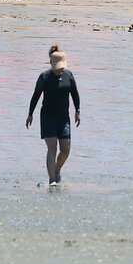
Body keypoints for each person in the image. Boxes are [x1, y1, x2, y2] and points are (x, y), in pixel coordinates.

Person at [27, 45, 81, 187]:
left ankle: (56, 170)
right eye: (57, 66)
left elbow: (75, 94)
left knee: (65, 149)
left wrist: (78, 111)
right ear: (51, 63)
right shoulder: (44, 77)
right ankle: (52, 180)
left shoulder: (69, 76)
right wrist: (30, 114)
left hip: (64, 119)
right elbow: (36, 96)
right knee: (52, 147)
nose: (60, 69)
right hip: (48, 117)